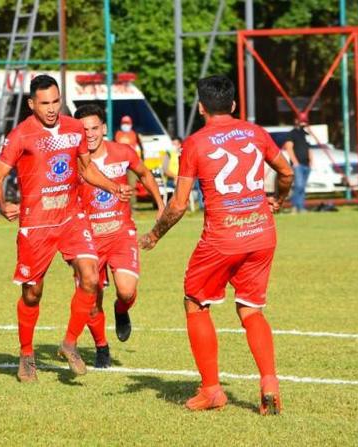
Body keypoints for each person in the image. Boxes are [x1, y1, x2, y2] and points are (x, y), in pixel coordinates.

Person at [139, 75, 294, 415]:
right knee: (251, 309)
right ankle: (269, 382)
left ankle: (212, 390)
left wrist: (153, 235)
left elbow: (179, 205)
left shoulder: (195, 143)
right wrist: (279, 199)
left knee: (195, 301)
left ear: (201, 107)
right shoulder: (256, 133)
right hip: (261, 232)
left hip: (223, 238)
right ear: (234, 105)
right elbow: (286, 172)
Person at [0, 75, 133, 382]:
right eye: (45, 103)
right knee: (32, 293)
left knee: (91, 278)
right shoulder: (21, 136)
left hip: (71, 218)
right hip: (37, 223)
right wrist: (3, 206)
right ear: (31, 104)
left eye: (56, 101)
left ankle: (69, 343)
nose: (52, 108)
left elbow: (85, 169)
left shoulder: (73, 128)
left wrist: (113, 186)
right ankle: (27, 355)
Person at [74, 104, 165, 368]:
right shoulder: (74, 160)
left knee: (126, 291)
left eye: (94, 128)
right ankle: (102, 348)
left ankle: (121, 311)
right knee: (91, 300)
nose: (89, 134)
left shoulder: (123, 152)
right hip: (88, 238)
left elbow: (145, 174)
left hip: (120, 233)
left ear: (104, 128)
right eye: (83, 130)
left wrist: (160, 206)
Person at [283, 114, 311, 213]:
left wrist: (311, 161)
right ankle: (294, 206)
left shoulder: (305, 134)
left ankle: (301, 207)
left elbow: (308, 148)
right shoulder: (292, 133)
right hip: (298, 165)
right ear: (296, 121)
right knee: (298, 186)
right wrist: (295, 162)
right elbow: (288, 148)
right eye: (301, 120)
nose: (303, 122)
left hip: (306, 165)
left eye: (305, 120)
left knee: (303, 187)